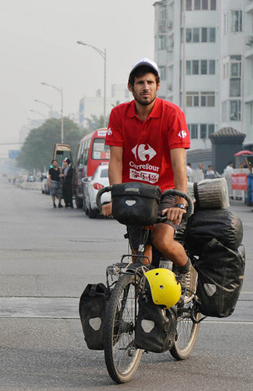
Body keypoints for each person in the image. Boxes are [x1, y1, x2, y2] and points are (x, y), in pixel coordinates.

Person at [101, 57, 193, 288]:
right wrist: (114, 197)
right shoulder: (118, 114)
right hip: (134, 192)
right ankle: (146, 303)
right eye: (140, 82)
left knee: (162, 240)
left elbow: (179, 163)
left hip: (166, 190)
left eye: (150, 82)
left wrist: (180, 203)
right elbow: (116, 160)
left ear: (158, 85)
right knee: (139, 256)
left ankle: (187, 271)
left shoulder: (172, 114)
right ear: (131, 86)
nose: (146, 87)